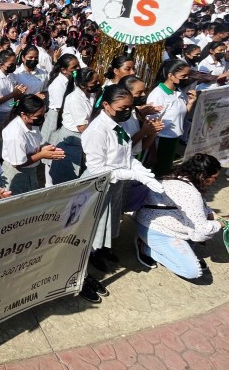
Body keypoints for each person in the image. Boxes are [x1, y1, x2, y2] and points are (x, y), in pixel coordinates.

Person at [82, 84, 164, 301]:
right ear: (106, 105)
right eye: (122, 108)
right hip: (98, 185)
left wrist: (141, 170)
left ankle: (101, 248)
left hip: (117, 184)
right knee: (92, 226)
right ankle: (87, 263)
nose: (127, 112)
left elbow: (128, 154)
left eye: (130, 107)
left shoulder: (121, 123)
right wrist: (133, 174)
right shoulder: (97, 130)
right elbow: (99, 168)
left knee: (110, 218)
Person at [135, 153, 228, 283]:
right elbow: (200, 232)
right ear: (202, 176)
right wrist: (220, 224)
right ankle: (145, 248)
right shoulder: (190, 192)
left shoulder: (180, 177)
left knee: (191, 247)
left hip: (154, 222)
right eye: (214, 178)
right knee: (192, 271)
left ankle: (176, 252)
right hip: (157, 230)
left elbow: (203, 209)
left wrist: (226, 220)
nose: (215, 181)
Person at [1, 95, 64, 195]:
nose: (42, 118)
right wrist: (42, 155)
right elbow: (17, 163)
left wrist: (43, 149)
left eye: (44, 114)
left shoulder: (31, 124)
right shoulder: (15, 134)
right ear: (24, 115)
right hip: (16, 174)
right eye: (38, 116)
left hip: (30, 171)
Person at [147, 59, 197, 176]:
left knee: (164, 172)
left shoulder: (178, 92)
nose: (186, 79)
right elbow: (150, 125)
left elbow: (181, 116)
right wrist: (152, 152)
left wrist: (190, 103)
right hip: (160, 141)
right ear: (170, 75)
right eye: (183, 76)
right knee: (157, 174)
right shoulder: (158, 95)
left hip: (173, 139)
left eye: (187, 75)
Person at [51, 67, 100, 185]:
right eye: (94, 83)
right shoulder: (75, 99)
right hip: (72, 140)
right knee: (67, 179)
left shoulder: (91, 94)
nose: (98, 84)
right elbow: (82, 127)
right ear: (83, 85)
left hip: (83, 137)